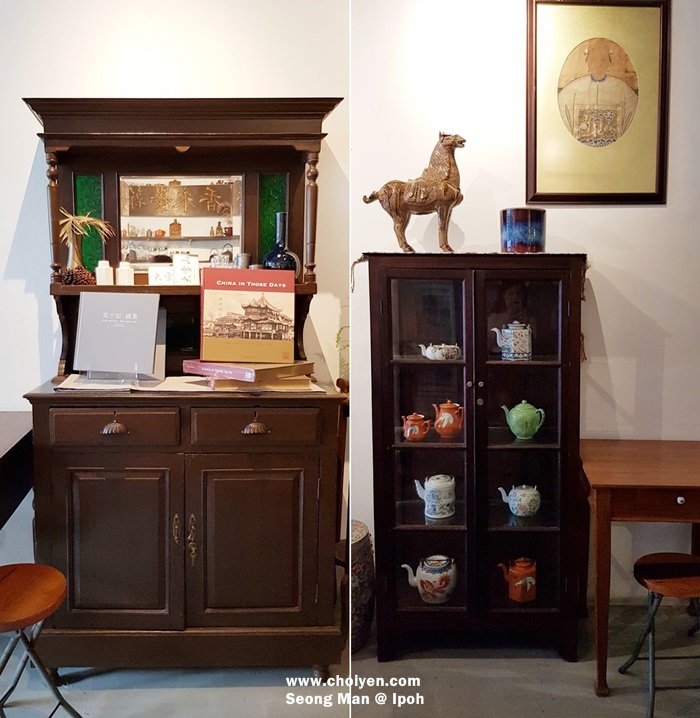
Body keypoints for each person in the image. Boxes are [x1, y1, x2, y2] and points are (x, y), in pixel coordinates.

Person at [557, 38, 638, 147]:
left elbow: (635, 123)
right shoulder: (571, 91)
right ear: (587, 62)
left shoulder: (623, 91)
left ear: (609, 63)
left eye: (603, 60)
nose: (598, 64)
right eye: (594, 59)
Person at [487, 282, 536, 354]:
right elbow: (487, 344)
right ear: (503, 296)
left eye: (518, 294)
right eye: (510, 294)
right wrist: (506, 324)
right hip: (496, 356)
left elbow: (534, 347)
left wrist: (526, 326)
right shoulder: (493, 318)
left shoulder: (529, 319)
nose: (515, 297)